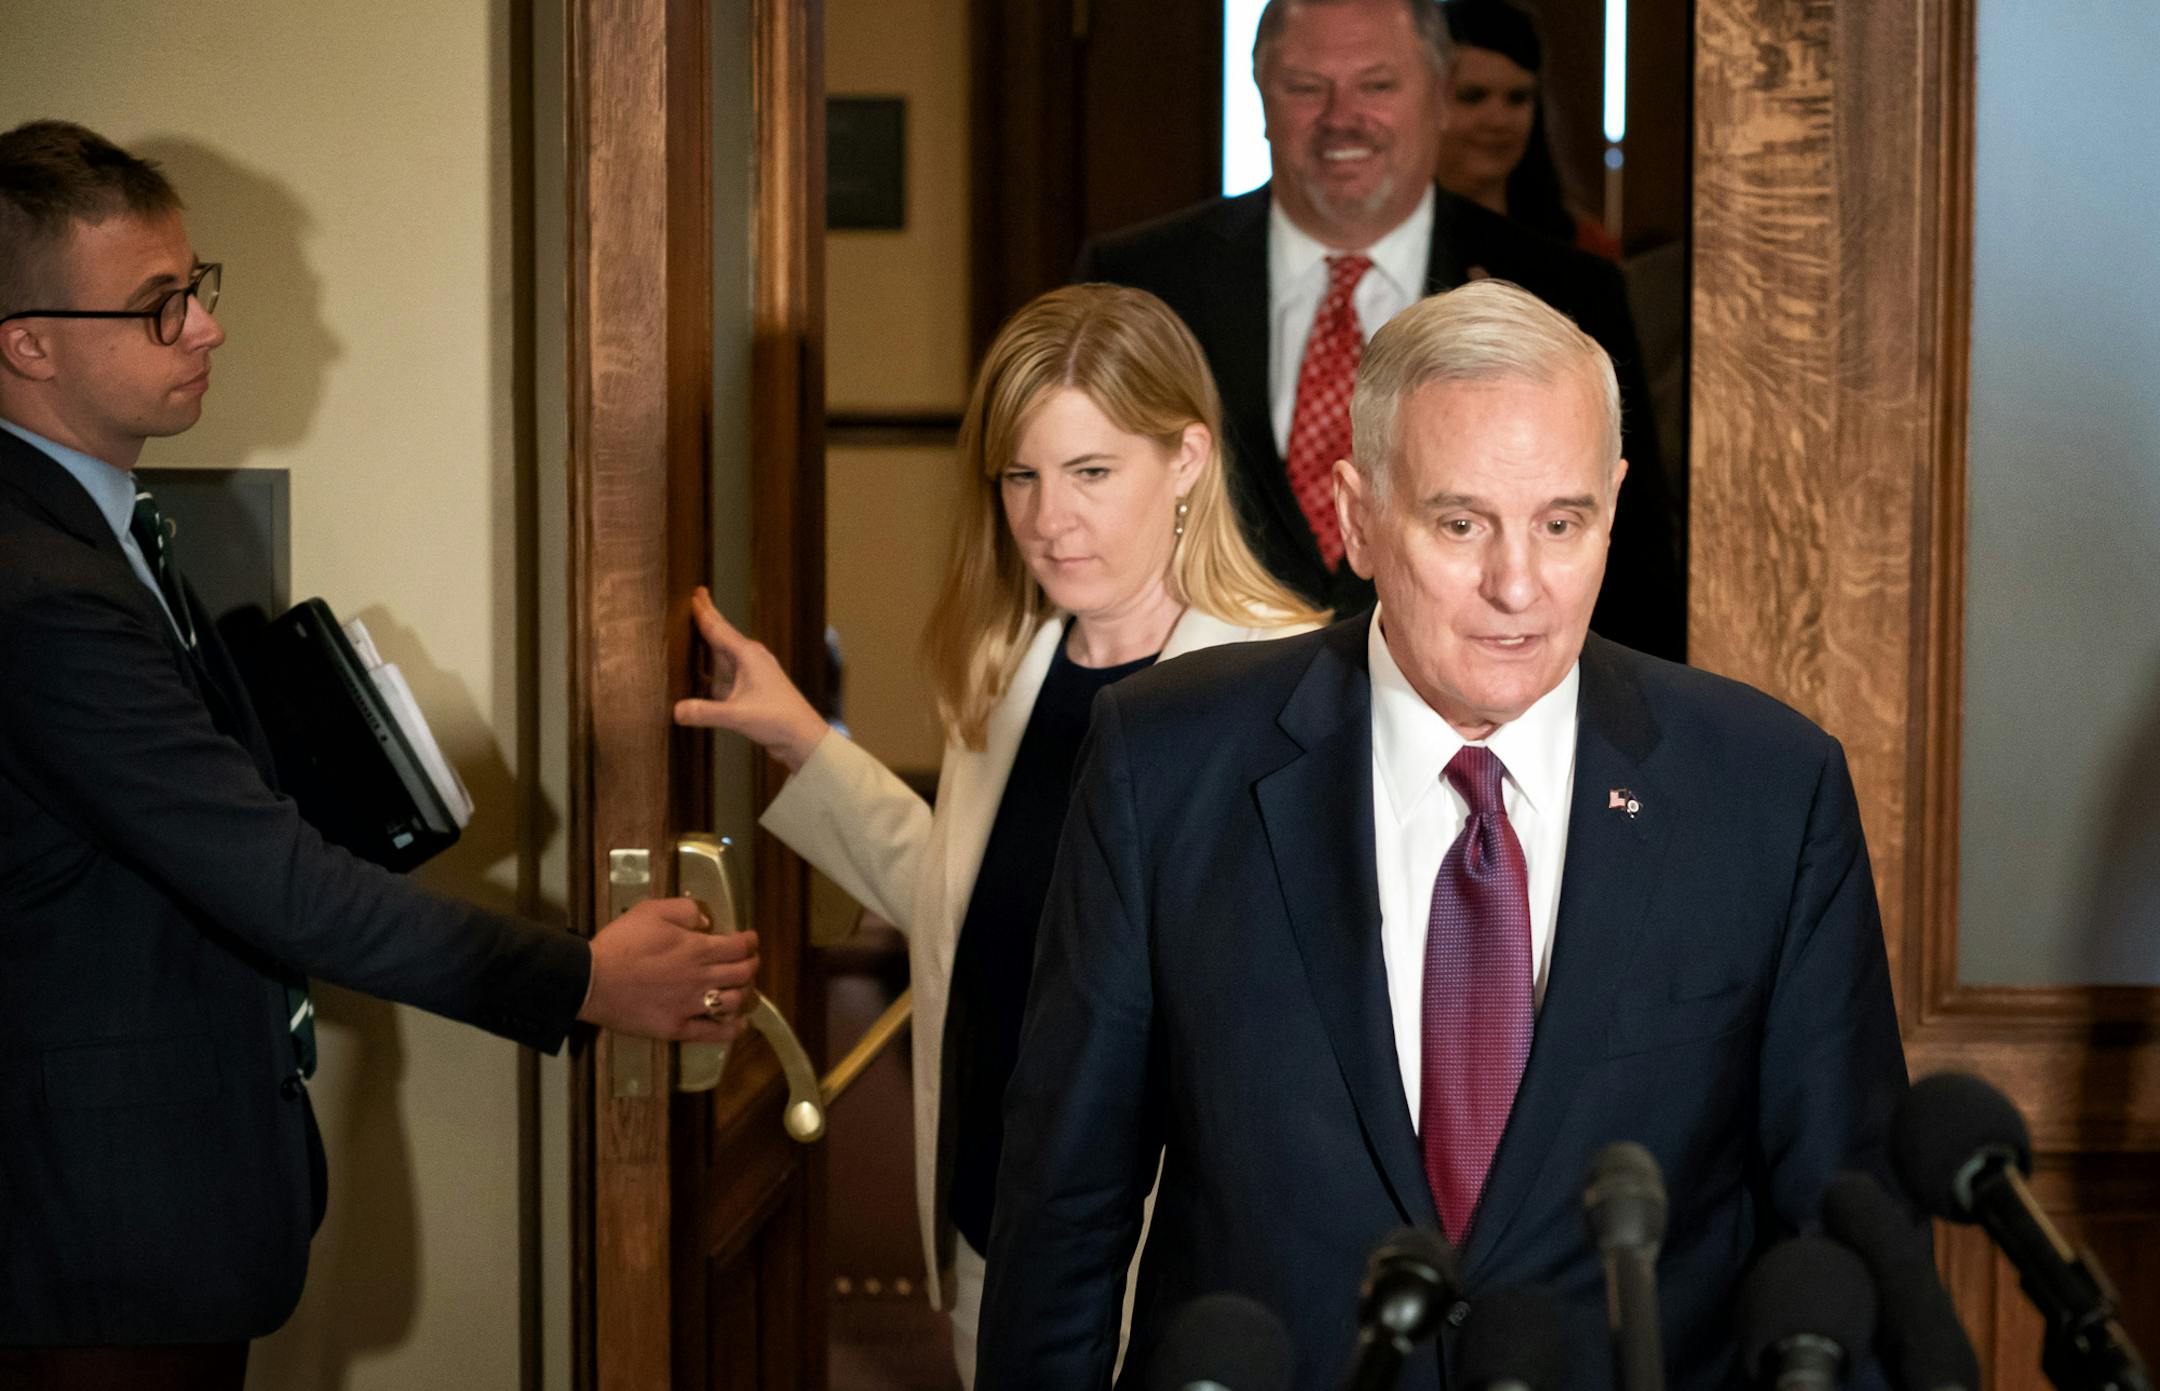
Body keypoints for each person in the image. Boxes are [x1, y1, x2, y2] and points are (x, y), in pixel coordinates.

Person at [974, 281, 1907, 1390]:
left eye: (1562, 524)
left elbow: (1844, 1241)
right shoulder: (1165, 763)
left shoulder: (1768, 789)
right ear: (1359, 516)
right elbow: (1065, 1209)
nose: (1517, 585)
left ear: (1613, 505)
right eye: (1461, 524)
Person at [0, 121, 758, 1388]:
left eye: (198, 287)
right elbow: (272, 881)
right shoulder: (39, 588)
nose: (206, 328)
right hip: (90, 1245)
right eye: (158, 305)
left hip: (142, 1218)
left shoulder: (97, 528)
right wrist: (586, 977)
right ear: (28, 342)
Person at [674, 284, 1323, 1387]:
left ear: (1187, 459)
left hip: (1190, 1263)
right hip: (997, 1229)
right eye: (1021, 476)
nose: (1048, 519)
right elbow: (972, 906)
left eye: (1091, 472)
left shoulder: (1289, 687)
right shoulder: (1014, 663)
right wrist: (800, 741)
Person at [1074, 0, 1681, 661]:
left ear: (1440, 96)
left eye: (1377, 85)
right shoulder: (1138, 281)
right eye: (1306, 86)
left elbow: (1633, 573)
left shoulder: (1567, 290)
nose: (1342, 118)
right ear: (1261, 96)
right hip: (1196, 704)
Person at [1434, 0, 1622, 259]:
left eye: (1517, 98)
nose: (1498, 121)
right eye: (1472, 96)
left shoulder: (1584, 246)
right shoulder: (1388, 238)